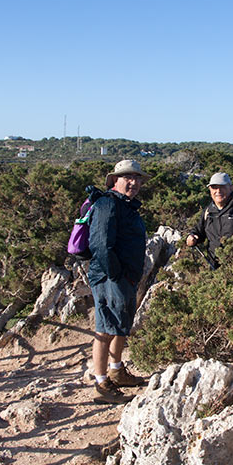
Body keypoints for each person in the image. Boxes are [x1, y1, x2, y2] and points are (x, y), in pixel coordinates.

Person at [87, 159, 149, 404]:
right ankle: (101, 383)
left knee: (120, 325)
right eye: (127, 177)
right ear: (115, 180)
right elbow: (100, 245)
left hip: (125, 276)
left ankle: (116, 370)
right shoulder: (107, 204)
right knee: (104, 328)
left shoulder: (126, 205)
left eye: (137, 178)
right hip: (109, 276)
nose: (133, 182)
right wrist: (116, 275)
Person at [185, 172, 233, 268]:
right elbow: (199, 231)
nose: (218, 191)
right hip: (214, 267)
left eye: (222, 187)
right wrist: (191, 237)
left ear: (231, 188)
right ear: (210, 190)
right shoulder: (208, 211)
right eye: (214, 187)